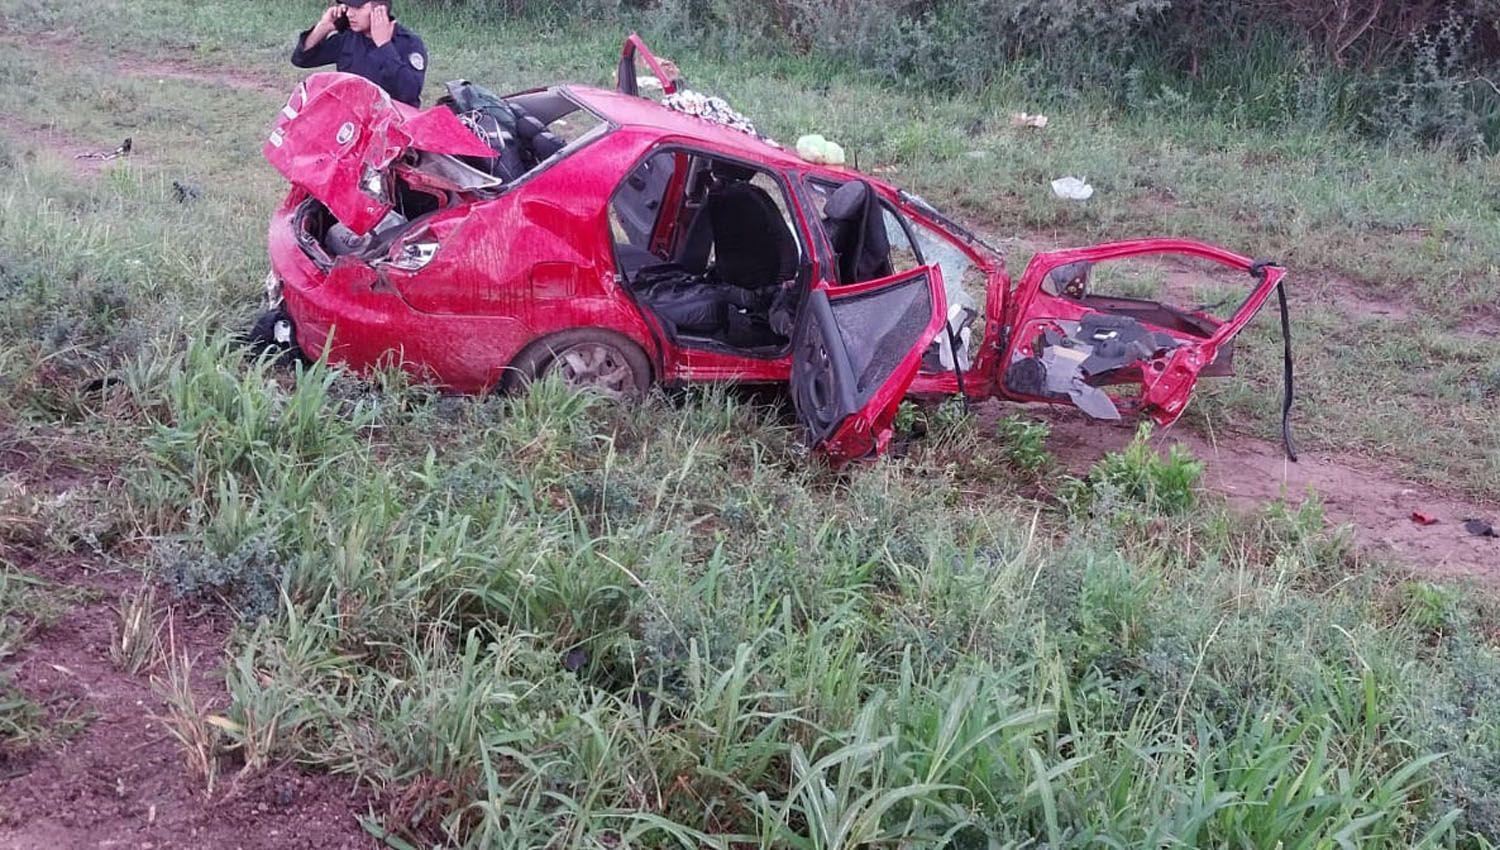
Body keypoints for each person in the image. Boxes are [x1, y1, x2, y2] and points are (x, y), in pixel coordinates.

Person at [291, 1, 427, 107]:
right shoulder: (349, 37)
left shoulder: (408, 43)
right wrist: (323, 27)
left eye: (357, 8)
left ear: (380, 10)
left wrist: (384, 46)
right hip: (352, 120)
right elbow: (302, 59)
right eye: (348, 7)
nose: (350, 13)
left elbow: (410, 93)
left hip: (391, 124)